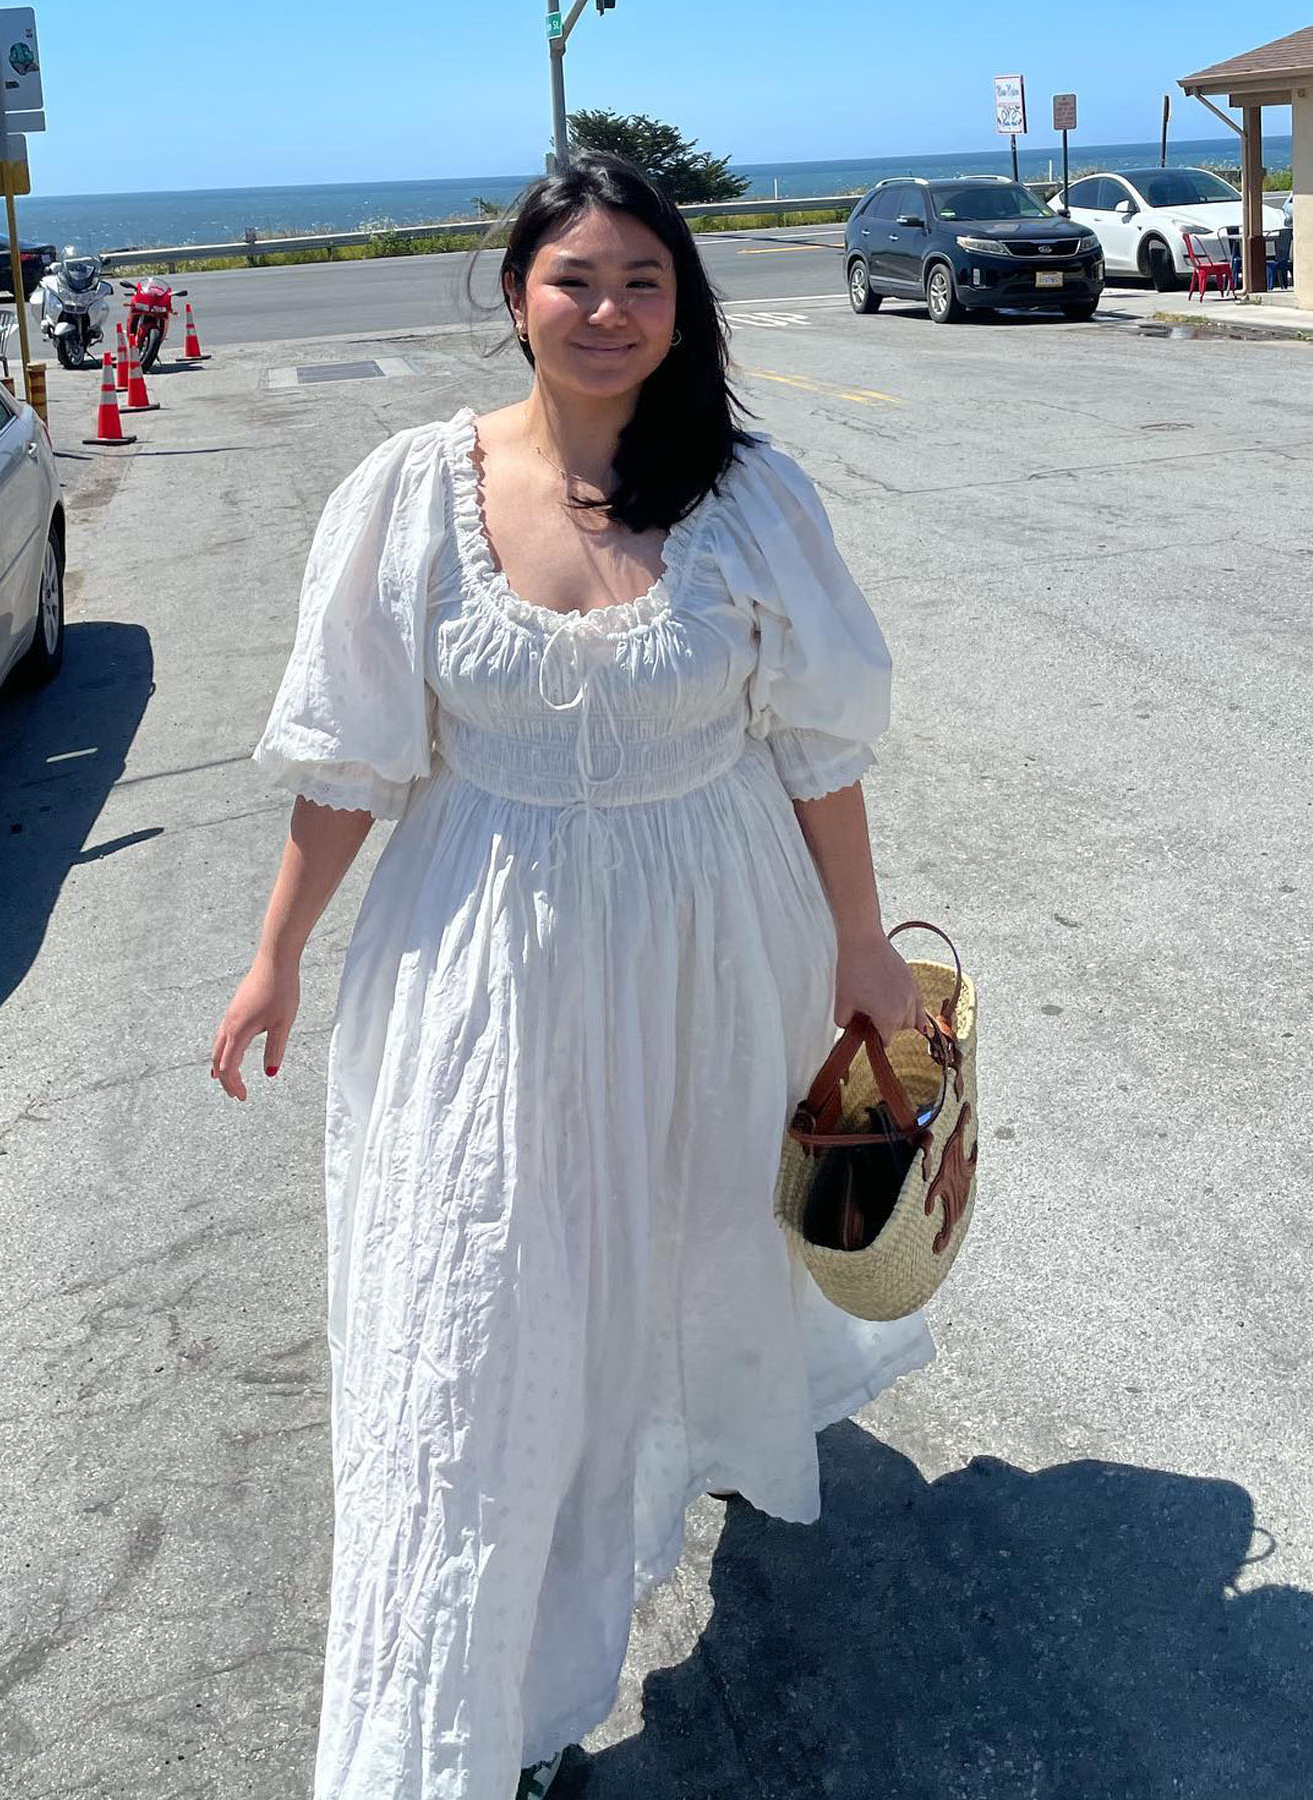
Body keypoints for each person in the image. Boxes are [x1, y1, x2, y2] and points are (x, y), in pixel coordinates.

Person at [212, 151, 935, 1799]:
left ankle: (651, 1489)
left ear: (685, 309)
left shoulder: (750, 495)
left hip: (712, 950)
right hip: (482, 966)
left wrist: (860, 938)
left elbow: (818, 747)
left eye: (643, 284)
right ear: (517, 296)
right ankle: (472, 1720)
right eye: (575, 281)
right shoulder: (411, 493)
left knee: (671, 1261)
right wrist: (273, 959)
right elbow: (350, 761)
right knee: (474, 1320)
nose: (608, 312)